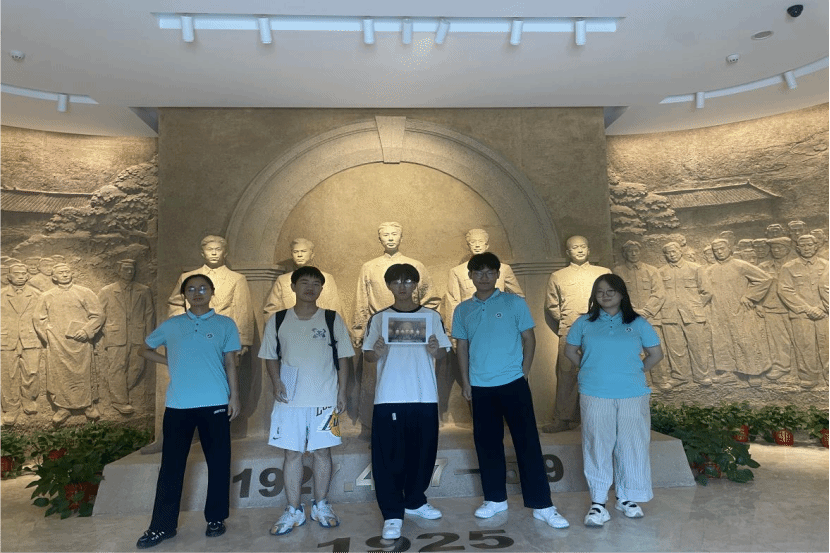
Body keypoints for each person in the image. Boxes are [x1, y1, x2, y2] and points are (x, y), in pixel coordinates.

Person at [453, 252, 569, 529]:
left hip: (513, 383)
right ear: (470, 276)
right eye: (478, 272)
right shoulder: (462, 310)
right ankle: (494, 499)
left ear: (497, 275)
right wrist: (466, 382)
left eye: (489, 272)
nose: (484, 277)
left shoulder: (514, 303)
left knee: (527, 443)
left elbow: (529, 339)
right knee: (487, 444)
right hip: (480, 386)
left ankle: (542, 504)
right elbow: (462, 347)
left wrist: (524, 372)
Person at [136, 274, 241, 549]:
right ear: (184, 294)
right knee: (171, 467)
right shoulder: (172, 325)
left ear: (212, 292)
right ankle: (162, 526)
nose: (197, 292)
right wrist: (168, 360)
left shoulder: (225, 324)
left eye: (203, 288)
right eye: (191, 289)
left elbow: (231, 362)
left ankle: (216, 518)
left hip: (215, 403)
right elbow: (144, 349)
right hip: (179, 405)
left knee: (218, 463)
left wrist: (234, 397)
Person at [259, 266, 354, 536]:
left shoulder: (331, 318)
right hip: (289, 399)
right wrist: (276, 382)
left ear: (322, 288)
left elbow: (343, 358)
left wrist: (342, 392)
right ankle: (293, 509)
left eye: (315, 283)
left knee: (323, 453)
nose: (310, 288)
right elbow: (270, 356)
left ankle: (321, 505)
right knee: (292, 454)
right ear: (293, 287)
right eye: (304, 282)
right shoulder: (278, 319)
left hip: (324, 399)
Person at [563, 274, 663, 527]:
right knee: (597, 445)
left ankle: (626, 497)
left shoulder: (638, 322)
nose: (605, 295)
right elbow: (570, 351)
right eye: (600, 292)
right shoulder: (583, 322)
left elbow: (655, 354)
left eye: (611, 291)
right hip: (595, 393)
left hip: (632, 394)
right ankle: (598, 503)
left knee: (632, 445)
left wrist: (635, 371)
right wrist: (589, 369)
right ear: (594, 296)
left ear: (621, 294)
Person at [363, 264, 451, 540]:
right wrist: (376, 352)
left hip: (424, 395)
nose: (403, 287)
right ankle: (392, 514)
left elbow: (443, 352)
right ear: (389, 285)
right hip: (389, 397)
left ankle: (415, 501)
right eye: (397, 282)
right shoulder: (379, 319)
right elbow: (367, 355)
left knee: (423, 453)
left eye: (408, 281)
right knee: (389, 458)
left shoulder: (431, 317)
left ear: (416, 285)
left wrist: (437, 350)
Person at [544, 235, 610, 432]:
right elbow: (552, 305)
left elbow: (613, 300)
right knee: (567, 374)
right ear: (568, 252)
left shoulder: (603, 273)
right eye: (574, 247)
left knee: (600, 372)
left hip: (599, 330)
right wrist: (569, 322)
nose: (579, 250)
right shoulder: (558, 276)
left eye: (583, 246)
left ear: (589, 250)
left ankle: (601, 418)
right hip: (570, 330)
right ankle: (563, 419)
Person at [34, 262, 105, 425]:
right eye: (61, 272)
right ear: (54, 277)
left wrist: (86, 331)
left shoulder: (84, 292)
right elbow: (38, 319)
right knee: (59, 375)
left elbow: (98, 315)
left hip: (81, 343)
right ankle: (62, 408)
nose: (65, 274)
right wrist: (50, 335)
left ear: (72, 274)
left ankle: (88, 406)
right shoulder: (47, 296)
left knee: (84, 373)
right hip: (58, 344)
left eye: (67, 271)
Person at [98, 259, 155, 415]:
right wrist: (106, 331)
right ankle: (120, 401)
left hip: (138, 335)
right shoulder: (107, 291)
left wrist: (150, 337)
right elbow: (99, 314)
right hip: (116, 336)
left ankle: (120, 390)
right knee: (117, 367)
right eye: (125, 269)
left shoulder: (144, 290)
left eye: (131, 269)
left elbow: (149, 314)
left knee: (138, 366)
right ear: (119, 271)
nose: (129, 272)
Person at [777, 234, 829, 389]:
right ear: (798, 248)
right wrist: (807, 308)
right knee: (805, 345)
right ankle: (808, 377)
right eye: (803, 246)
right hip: (800, 314)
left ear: (816, 246)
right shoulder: (789, 267)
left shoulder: (826, 265)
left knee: (827, 343)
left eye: (810, 245)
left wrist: (822, 307)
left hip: (824, 312)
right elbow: (785, 290)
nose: (807, 248)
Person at [0, 259, 42, 424]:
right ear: (9, 277)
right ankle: (11, 408)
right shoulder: (1, 294)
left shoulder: (37, 294)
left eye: (23, 274)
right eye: (16, 274)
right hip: (6, 338)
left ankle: (29, 400)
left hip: (31, 338)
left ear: (27, 276)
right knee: (7, 374)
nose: (20, 277)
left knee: (32, 372)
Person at [263, 238, 344, 316]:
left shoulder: (327, 278)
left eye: (303, 251)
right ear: (292, 255)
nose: (299, 255)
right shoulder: (283, 280)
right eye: (295, 252)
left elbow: (335, 308)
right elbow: (271, 310)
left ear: (312, 254)